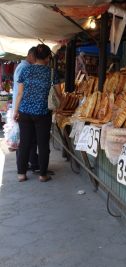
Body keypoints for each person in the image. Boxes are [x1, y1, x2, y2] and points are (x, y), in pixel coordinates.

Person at [13, 44, 61, 182]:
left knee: (25, 143)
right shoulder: (51, 72)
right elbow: (59, 93)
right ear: (47, 58)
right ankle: (42, 175)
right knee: (43, 144)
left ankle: (21, 174)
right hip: (42, 113)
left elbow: (20, 94)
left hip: (25, 112)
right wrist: (61, 104)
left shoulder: (26, 71)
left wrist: (15, 111)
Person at [12, 47, 39, 173]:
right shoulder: (25, 68)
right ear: (31, 55)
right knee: (26, 140)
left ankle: (27, 165)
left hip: (22, 108)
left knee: (25, 139)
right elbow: (20, 92)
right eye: (36, 57)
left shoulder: (22, 67)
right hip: (24, 108)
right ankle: (26, 166)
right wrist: (16, 111)